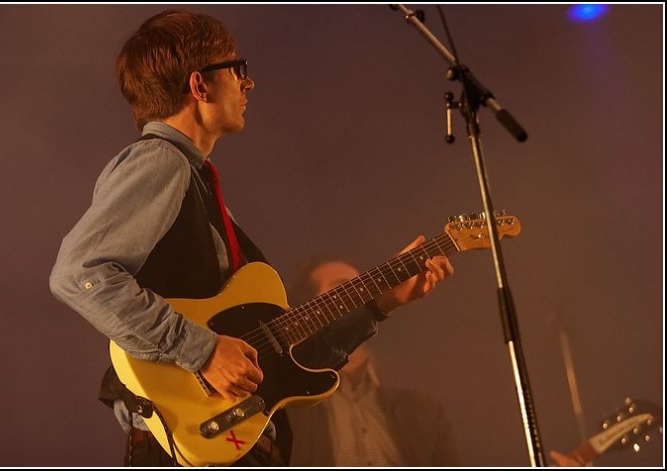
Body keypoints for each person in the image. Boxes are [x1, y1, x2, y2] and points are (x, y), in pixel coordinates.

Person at [49, 9, 454, 467]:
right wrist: (201, 350)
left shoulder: (196, 185)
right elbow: (79, 273)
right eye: (237, 69)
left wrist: (380, 304)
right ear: (200, 86)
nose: (249, 83)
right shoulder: (160, 161)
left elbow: (283, 363)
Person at [285, 256, 460, 466]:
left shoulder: (425, 413)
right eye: (341, 288)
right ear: (309, 310)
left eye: (362, 286)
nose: (360, 295)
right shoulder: (288, 406)